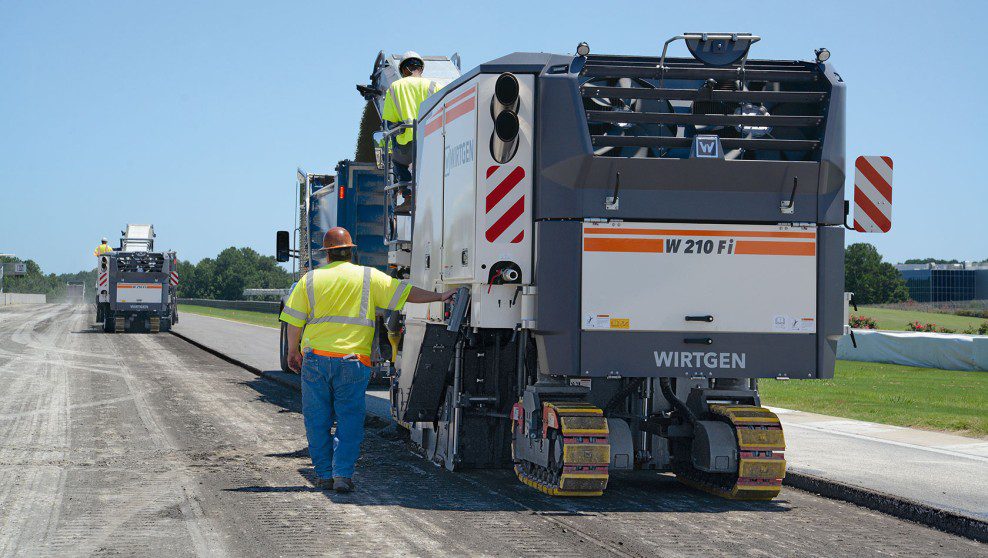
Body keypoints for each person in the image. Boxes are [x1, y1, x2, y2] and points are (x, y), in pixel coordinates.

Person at [279, 227, 455, 493]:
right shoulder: (368, 277)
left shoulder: (310, 280)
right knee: (349, 420)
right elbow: (405, 293)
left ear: (327, 254)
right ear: (351, 252)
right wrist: (439, 296)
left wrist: (293, 351)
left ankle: (324, 474)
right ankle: (342, 475)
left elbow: (294, 320)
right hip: (353, 361)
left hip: (316, 360)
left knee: (317, 420)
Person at [381, 51, 439, 188]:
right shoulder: (434, 86)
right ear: (421, 68)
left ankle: (407, 194)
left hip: (406, 145)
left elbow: (390, 123)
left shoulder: (395, 87)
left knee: (397, 162)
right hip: (430, 141)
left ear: (404, 70)